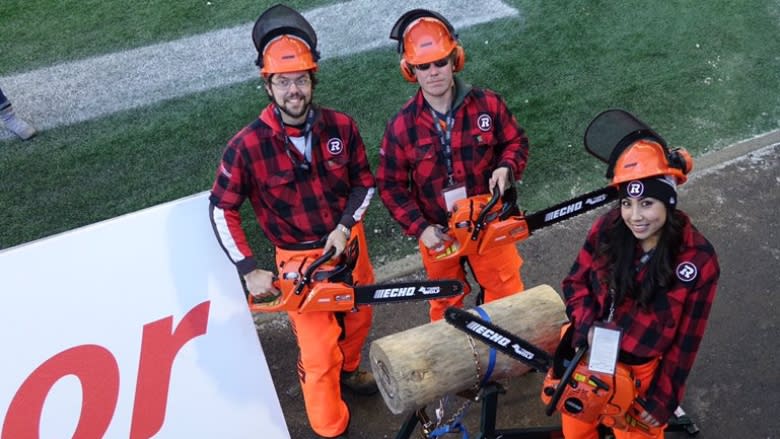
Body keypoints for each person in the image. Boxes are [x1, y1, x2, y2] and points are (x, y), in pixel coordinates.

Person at [208, 5, 376, 438]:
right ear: (268, 85)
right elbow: (221, 208)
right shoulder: (245, 146)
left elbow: (364, 183)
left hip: (347, 243)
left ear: (313, 79)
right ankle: (329, 426)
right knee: (319, 352)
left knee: (358, 319)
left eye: (300, 79)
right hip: (298, 262)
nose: (293, 90)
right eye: (282, 82)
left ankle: (353, 370)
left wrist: (344, 225)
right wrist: (247, 268)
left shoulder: (341, 126)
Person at [561, 123, 720, 438]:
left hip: (640, 377)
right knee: (577, 432)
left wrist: (662, 399)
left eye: (647, 203)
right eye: (627, 203)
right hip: (586, 356)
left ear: (669, 202)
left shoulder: (698, 260)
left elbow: (686, 343)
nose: (635, 216)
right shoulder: (607, 228)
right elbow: (575, 283)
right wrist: (585, 327)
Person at [377, 9, 530, 322]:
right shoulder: (401, 127)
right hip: (438, 232)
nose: (433, 72)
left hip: (487, 220)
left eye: (440, 62)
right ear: (410, 70)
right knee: (445, 305)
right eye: (423, 66)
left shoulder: (488, 104)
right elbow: (390, 186)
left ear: (455, 60)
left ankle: (510, 360)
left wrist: (506, 167)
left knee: (508, 294)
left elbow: (516, 142)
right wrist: (421, 229)